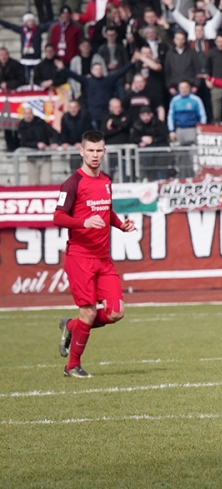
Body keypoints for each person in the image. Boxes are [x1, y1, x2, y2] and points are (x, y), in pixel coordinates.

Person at [54, 130, 138, 378]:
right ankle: (72, 366)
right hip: (80, 258)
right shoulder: (72, 183)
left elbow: (106, 210)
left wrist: (120, 225)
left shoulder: (106, 180)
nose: (94, 155)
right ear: (81, 151)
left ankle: (71, 325)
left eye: (99, 150)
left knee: (116, 311)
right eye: (90, 150)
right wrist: (84, 222)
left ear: (104, 152)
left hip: (103, 258)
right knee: (89, 312)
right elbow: (58, 217)